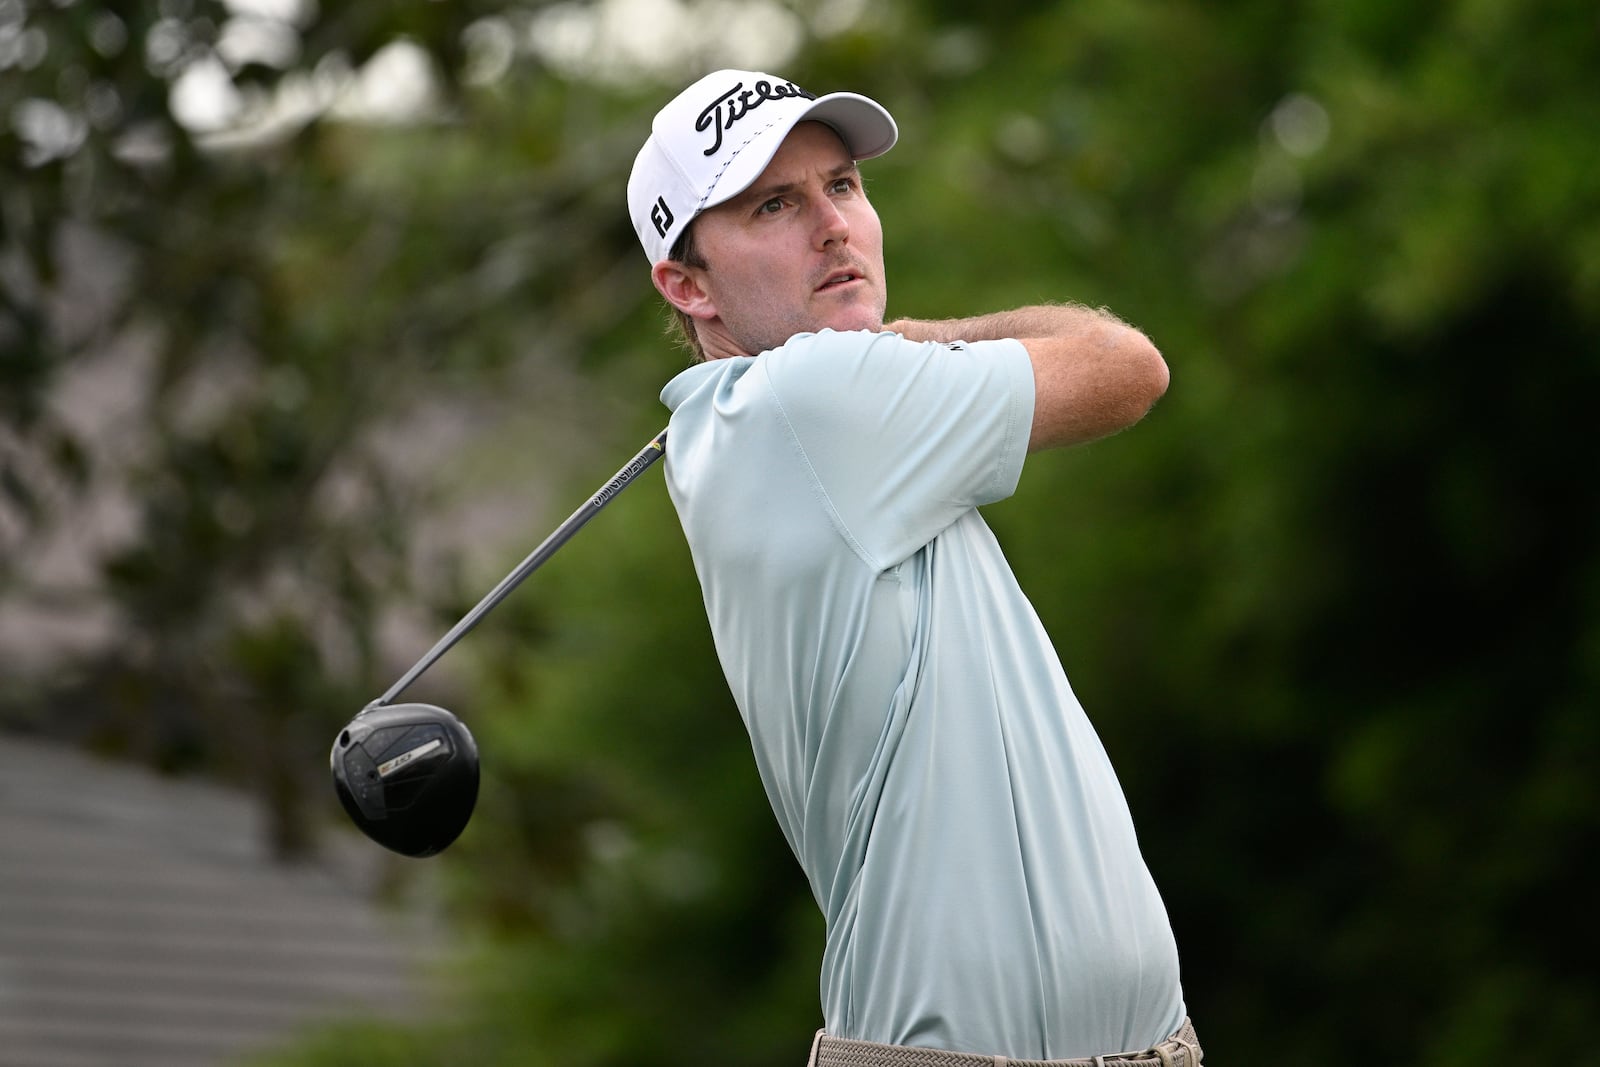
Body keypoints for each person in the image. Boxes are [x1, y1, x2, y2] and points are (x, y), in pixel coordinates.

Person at [627, 70, 1200, 1067]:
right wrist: (932, 337)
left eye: (842, 186)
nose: (833, 226)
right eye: (774, 204)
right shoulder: (810, 400)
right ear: (688, 284)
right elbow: (1126, 366)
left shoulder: (772, 421)